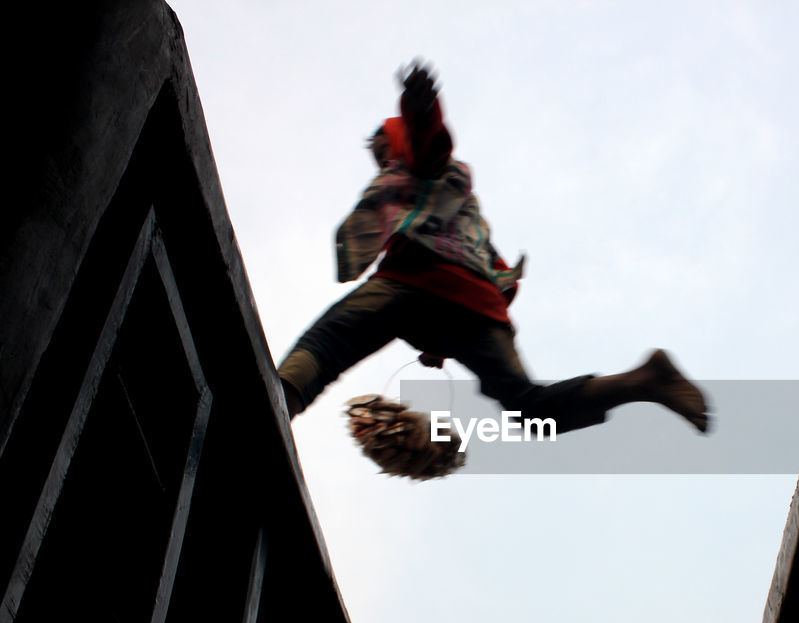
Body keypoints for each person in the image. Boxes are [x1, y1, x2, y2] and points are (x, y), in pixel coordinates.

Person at [277, 61, 708, 437]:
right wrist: (442, 341)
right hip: (476, 306)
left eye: (386, 153)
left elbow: (429, 142)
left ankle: (274, 404)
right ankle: (643, 381)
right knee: (529, 406)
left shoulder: (427, 166)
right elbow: (498, 275)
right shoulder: (466, 213)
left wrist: (421, 107)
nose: (386, 164)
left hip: (414, 280)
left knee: (328, 341)